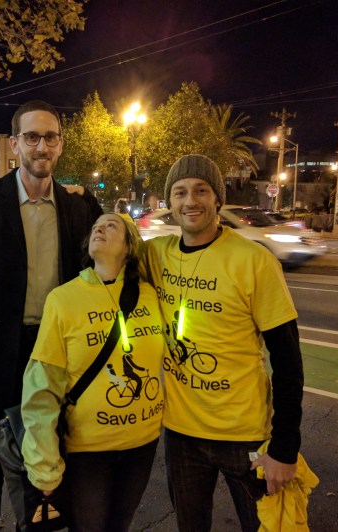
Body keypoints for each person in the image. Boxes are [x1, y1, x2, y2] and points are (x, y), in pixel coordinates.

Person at [0, 99, 102, 531]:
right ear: (14, 144)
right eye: (31, 137)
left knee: (52, 454)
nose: (41, 146)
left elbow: (103, 271)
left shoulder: (78, 208)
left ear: (60, 145)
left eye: (49, 137)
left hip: (56, 355)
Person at [141, 154, 304, 532]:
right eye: (179, 192)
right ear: (170, 202)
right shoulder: (156, 255)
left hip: (245, 435)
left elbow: (288, 360)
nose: (190, 201)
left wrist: (284, 447)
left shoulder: (253, 260)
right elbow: (108, 249)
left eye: (201, 190)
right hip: (181, 435)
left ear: (218, 199)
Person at [21, 213, 166, 532]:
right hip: (88, 450)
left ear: (129, 246)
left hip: (142, 445)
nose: (99, 228)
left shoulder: (151, 295)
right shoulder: (63, 300)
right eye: (96, 226)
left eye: (111, 225)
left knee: (119, 525)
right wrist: (44, 465)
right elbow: (42, 385)